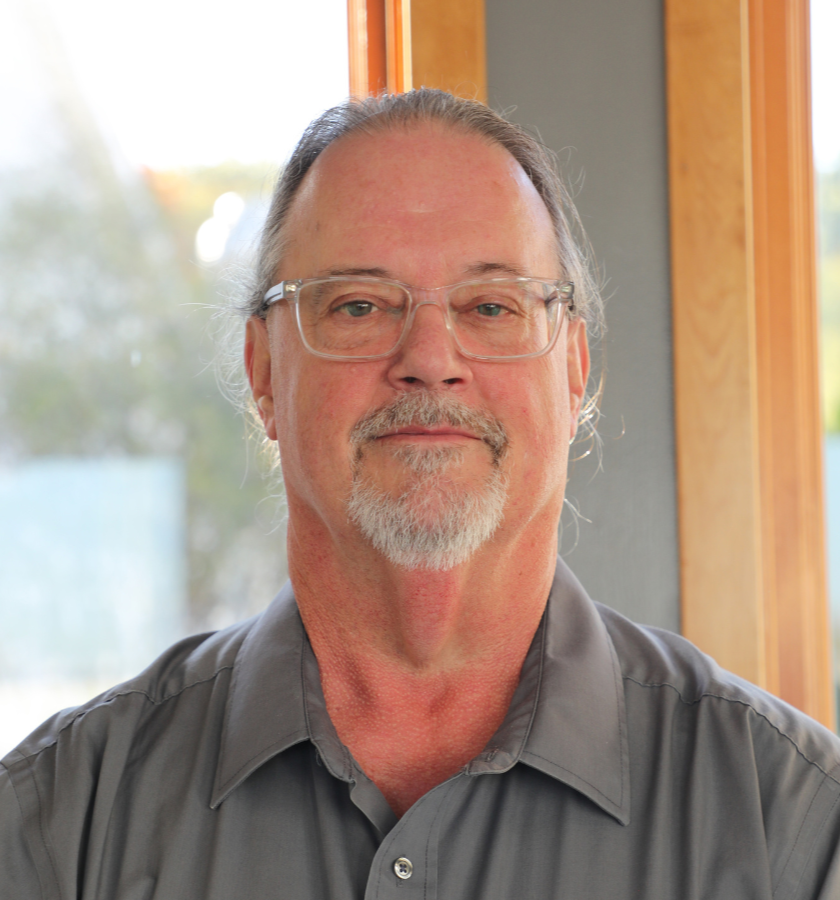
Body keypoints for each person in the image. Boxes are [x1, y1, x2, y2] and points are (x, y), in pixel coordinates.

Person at [2, 89, 839, 899]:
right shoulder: (54, 826)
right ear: (263, 372)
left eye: (490, 306)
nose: (431, 358)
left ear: (575, 370)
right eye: (359, 305)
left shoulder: (795, 830)